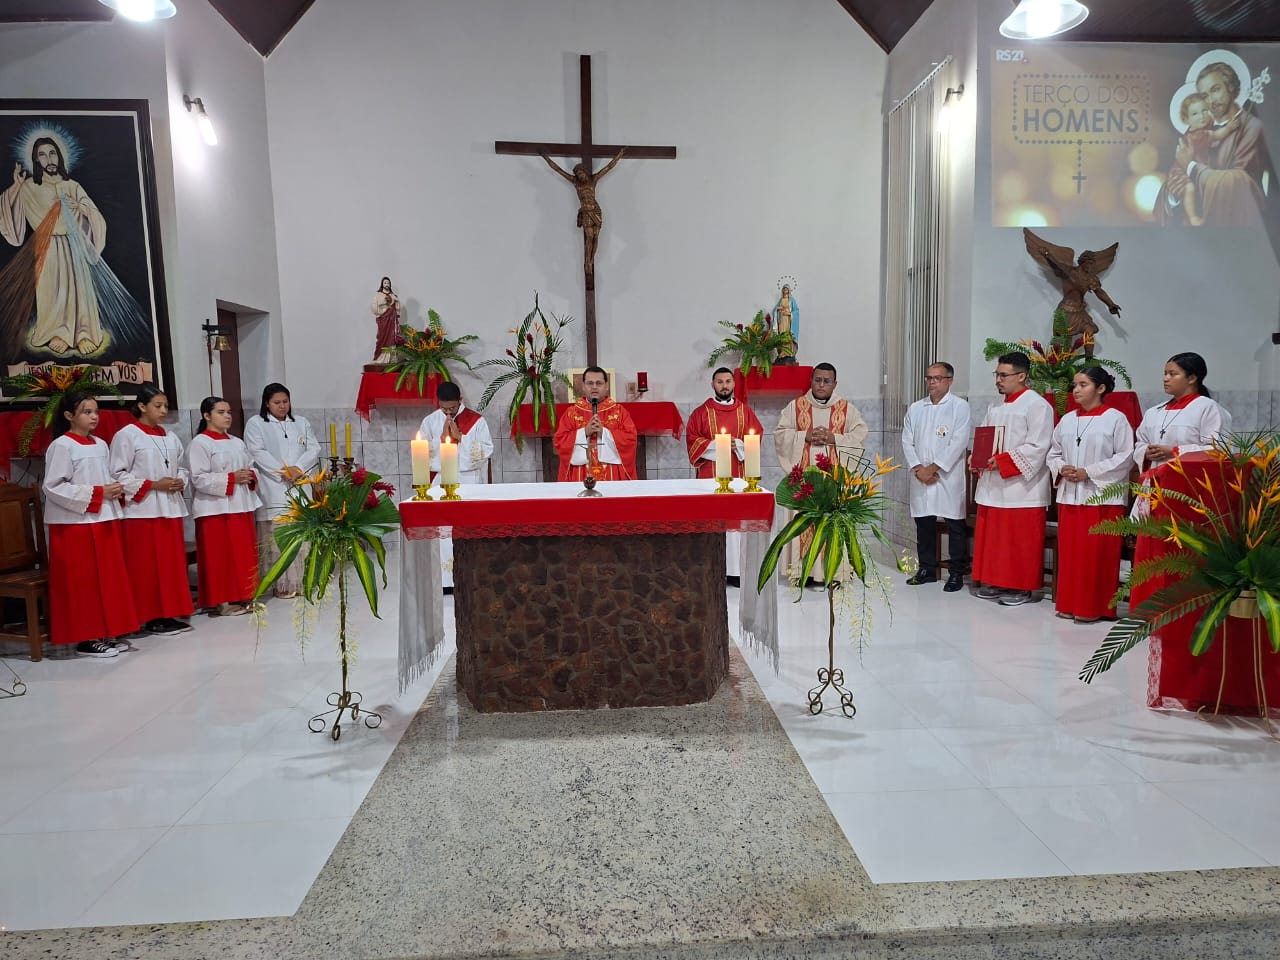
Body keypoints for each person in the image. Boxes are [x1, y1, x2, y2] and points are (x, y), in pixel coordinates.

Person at [42, 391, 139, 657]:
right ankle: (85, 638)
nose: (94, 417)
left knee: (106, 580)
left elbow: (102, 477)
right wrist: (98, 493)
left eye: (96, 411)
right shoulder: (62, 446)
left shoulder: (100, 444)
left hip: (102, 519)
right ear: (68, 415)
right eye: (87, 412)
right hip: (74, 524)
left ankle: (105, 631)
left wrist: (114, 489)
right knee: (82, 582)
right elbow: (53, 486)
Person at [1047, 368, 1135, 623]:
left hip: (1102, 498)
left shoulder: (1115, 419)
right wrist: (1061, 467)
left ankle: (1095, 608)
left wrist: (1089, 471)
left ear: (1101, 388)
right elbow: (1053, 452)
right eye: (1074, 385)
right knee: (1071, 554)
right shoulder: (1067, 420)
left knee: (1096, 555)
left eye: (1083, 384)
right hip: (1070, 497)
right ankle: (1069, 604)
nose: (1076, 390)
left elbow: (1125, 456)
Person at [109, 383, 194, 636]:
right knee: (145, 567)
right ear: (142, 406)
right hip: (142, 511)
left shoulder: (170, 436)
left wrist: (179, 480)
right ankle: (148, 617)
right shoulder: (127, 435)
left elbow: (181, 466)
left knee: (169, 566)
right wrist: (155, 484)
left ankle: (168, 613)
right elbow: (117, 474)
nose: (164, 410)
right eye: (158, 406)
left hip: (169, 507)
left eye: (166, 405)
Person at [971, 352, 1054, 606]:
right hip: (994, 484)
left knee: (1019, 540)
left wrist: (1004, 461)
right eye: (996, 375)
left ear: (1022, 376)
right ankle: (996, 581)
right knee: (996, 539)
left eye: (1003, 375)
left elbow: (1039, 446)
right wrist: (977, 456)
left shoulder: (1037, 405)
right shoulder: (995, 406)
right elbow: (985, 436)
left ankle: (1021, 587)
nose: (998, 380)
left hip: (1022, 488)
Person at [773, 363, 869, 583]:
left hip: (833, 480)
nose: (822, 385)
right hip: (803, 479)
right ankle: (802, 572)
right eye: (817, 380)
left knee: (831, 523)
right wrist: (804, 436)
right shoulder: (795, 406)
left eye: (827, 381)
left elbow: (860, 435)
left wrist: (834, 438)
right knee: (803, 522)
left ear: (835, 384)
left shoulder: (847, 409)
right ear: (811, 381)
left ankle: (834, 571)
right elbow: (780, 433)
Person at [1155, 61, 1273, 227]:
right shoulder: (1198, 128)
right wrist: (1173, 194)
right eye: (1204, 96)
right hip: (1195, 237)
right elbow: (1175, 175)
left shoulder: (1251, 127)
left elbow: (1240, 183)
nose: (1210, 101)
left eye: (1215, 90)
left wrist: (1191, 167)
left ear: (1230, 87)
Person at [243, 383, 320, 599]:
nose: (282, 406)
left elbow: (314, 447)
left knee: (301, 539)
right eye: (277, 402)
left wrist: (298, 468)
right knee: (277, 540)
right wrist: (282, 471)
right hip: (273, 486)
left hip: (299, 484)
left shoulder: (301, 422)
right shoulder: (256, 424)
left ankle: (302, 581)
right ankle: (282, 585)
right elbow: (256, 451)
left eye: (285, 401)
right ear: (267, 403)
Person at [188, 396, 261, 616]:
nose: (227, 416)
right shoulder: (200, 443)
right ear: (207, 416)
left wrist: (250, 475)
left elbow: (252, 466)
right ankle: (222, 601)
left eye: (228, 412)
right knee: (220, 556)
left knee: (243, 554)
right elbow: (198, 478)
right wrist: (231, 478)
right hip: (215, 509)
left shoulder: (237, 442)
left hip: (241, 505)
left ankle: (244, 595)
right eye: (221, 412)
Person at [902, 362, 971, 593]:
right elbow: (907, 440)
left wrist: (933, 469)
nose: (932, 382)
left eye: (937, 378)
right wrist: (918, 468)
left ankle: (956, 572)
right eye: (929, 378)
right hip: (920, 475)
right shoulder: (916, 408)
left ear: (950, 380)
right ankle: (927, 569)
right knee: (924, 522)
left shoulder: (959, 407)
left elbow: (959, 442)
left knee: (954, 523)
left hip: (947, 476)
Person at [540, 149, 625, 290]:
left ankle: (592, 259)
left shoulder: (593, 179)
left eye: (581, 173)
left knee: (596, 237)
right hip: (585, 211)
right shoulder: (575, 182)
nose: (580, 176)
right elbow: (558, 170)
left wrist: (620, 155)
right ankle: (588, 262)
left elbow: (609, 167)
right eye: (578, 174)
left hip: (596, 210)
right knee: (589, 237)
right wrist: (546, 158)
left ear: (585, 172)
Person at [1133, 352, 1231, 471]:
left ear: (1192, 378)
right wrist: (1145, 452)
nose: (1165, 379)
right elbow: (1140, 443)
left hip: (1190, 479)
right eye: (1165, 374)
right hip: (1155, 478)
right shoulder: (1153, 412)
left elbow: (1218, 450)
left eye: (1172, 374)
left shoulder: (1208, 408)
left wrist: (1175, 451)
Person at [1166, 93, 1242, 226]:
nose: (1201, 116)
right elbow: (1217, 136)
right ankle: (1193, 218)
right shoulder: (1198, 134)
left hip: (1190, 171)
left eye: (1204, 110)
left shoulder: (1197, 131)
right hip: (1180, 172)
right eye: (1195, 114)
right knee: (1189, 188)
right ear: (1186, 119)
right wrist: (1230, 127)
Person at [553, 366, 637, 481]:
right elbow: (559, 441)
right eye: (590, 383)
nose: (594, 387)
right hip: (580, 474)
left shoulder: (619, 412)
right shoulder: (571, 413)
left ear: (606, 386)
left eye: (599, 383)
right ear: (583, 386)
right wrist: (584, 432)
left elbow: (631, 439)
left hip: (612, 474)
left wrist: (604, 433)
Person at [686, 368, 763, 480]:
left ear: (734, 384)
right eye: (719, 382)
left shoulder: (745, 412)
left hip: (739, 472)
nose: (724, 386)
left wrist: (738, 444)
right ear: (712, 385)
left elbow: (756, 437)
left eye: (728, 381)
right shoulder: (700, 413)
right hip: (709, 473)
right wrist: (716, 445)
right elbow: (692, 439)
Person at [418, 381, 494, 484]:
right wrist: (441, 440)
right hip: (440, 479)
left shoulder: (477, 421)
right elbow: (421, 454)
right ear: (438, 402)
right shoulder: (430, 421)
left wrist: (460, 437)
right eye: (444, 408)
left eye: (452, 408)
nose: (448, 412)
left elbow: (487, 450)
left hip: (469, 478)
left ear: (460, 400)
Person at [371, 276, 401, 363]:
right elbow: (374, 307)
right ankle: (380, 357)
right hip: (383, 319)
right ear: (382, 284)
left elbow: (397, 307)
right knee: (382, 337)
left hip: (392, 320)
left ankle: (391, 358)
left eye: (388, 283)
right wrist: (383, 308)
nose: (387, 284)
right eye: (385, 283)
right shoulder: (378, 295)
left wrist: (396, 301)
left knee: (392, 337)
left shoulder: (393, 295)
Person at [773, 284, 799, 361]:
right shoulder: (781, 300)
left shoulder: (791, 300)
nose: (785, 291)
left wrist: (790, 313)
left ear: (789, 290)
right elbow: (774, 310)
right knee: (781, 335)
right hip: (782, 320)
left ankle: (789, 353)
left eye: (786, 289)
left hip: (788, 320)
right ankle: (782, 353)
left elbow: (796, 311)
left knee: (788, 335)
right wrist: (778, 309)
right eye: (784, 289)